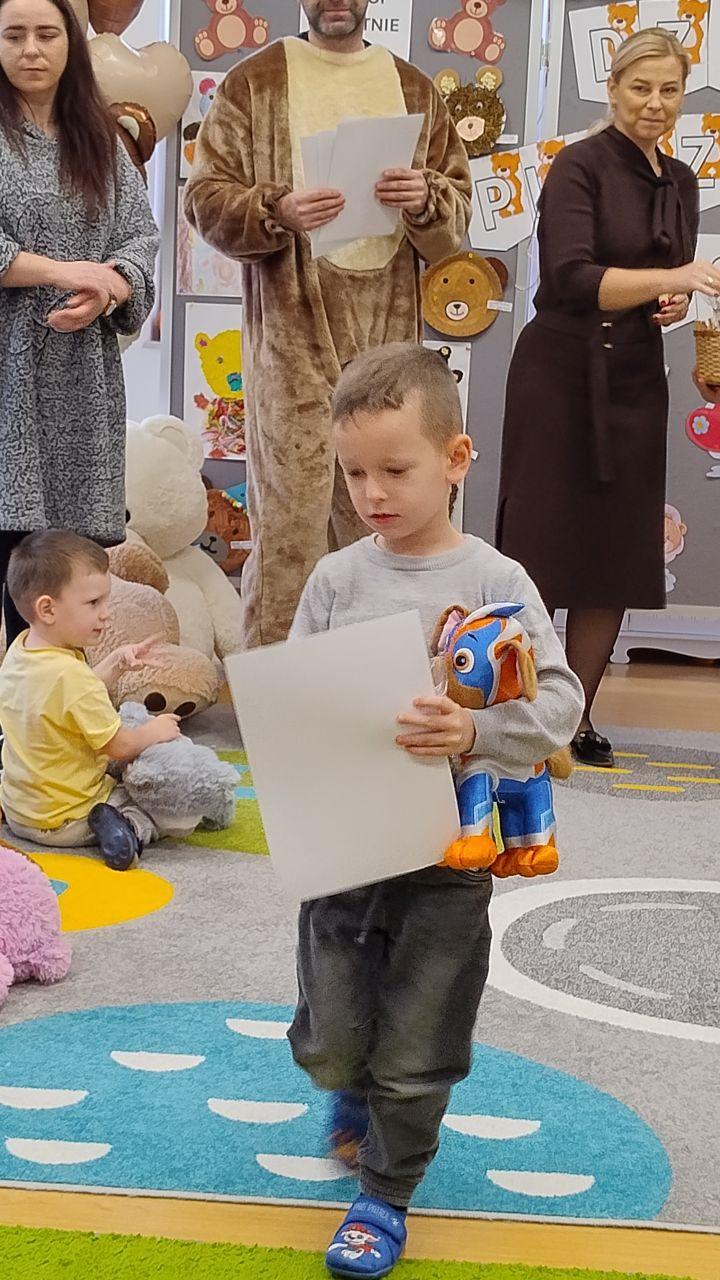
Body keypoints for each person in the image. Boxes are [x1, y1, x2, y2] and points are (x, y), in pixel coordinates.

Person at [286, 344, 584, 1278]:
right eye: (354, 473)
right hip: (348, 848)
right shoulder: (336, 580)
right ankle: (352, 1088)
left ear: (456, 459)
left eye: (395, 469)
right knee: (331, 1043)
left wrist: (474, 730)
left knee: (420, 1042)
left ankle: (384, 1196)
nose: (372, 493)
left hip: (453, 858)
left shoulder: (498, 581)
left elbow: (562, 704)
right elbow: (297, 700)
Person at [184, 0, 472, 649]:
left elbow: (454, 223)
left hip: (387, 342)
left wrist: (427, 199)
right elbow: (204, 200)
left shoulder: (414, 89)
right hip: (290, 340)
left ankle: (388, 682)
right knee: (289, 530)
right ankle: (277, 691)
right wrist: (276, 208)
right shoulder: (254, 82)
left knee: (392, 517)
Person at [496, 29, 720, 768]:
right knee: (541, 550)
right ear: (614, 88)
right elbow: (571, 277)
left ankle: (573, 720)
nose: (656, 103)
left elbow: (661, 286)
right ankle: (515, 717)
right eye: (640, 87)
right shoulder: (578, 167)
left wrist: (670, 303)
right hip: (560, 376)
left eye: (669, 90)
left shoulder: (681, 180)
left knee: (616, 552)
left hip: (634, 380)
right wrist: (674, 279)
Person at [0, 0, 159, 649]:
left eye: (46, 34)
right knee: (12, 558)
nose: (31, 49)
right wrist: (64, 271)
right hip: (9, 376)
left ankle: (63, 703)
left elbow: (141, 238)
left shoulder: (98, 138)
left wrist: (112, 285)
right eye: (14, 35)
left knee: (70, 582)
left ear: (70, 44)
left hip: (82, 385)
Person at [0, 531, 182, 871]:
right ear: (48, 609)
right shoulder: (72, 676)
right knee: (161, 804)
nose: (106, 614)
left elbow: (69, 700)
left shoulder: (20, 651)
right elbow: (120, 746)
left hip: (21, 813)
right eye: (93, 603)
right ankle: (128, 828)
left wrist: (117, 662)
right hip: (70, 818)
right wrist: (155, 731)